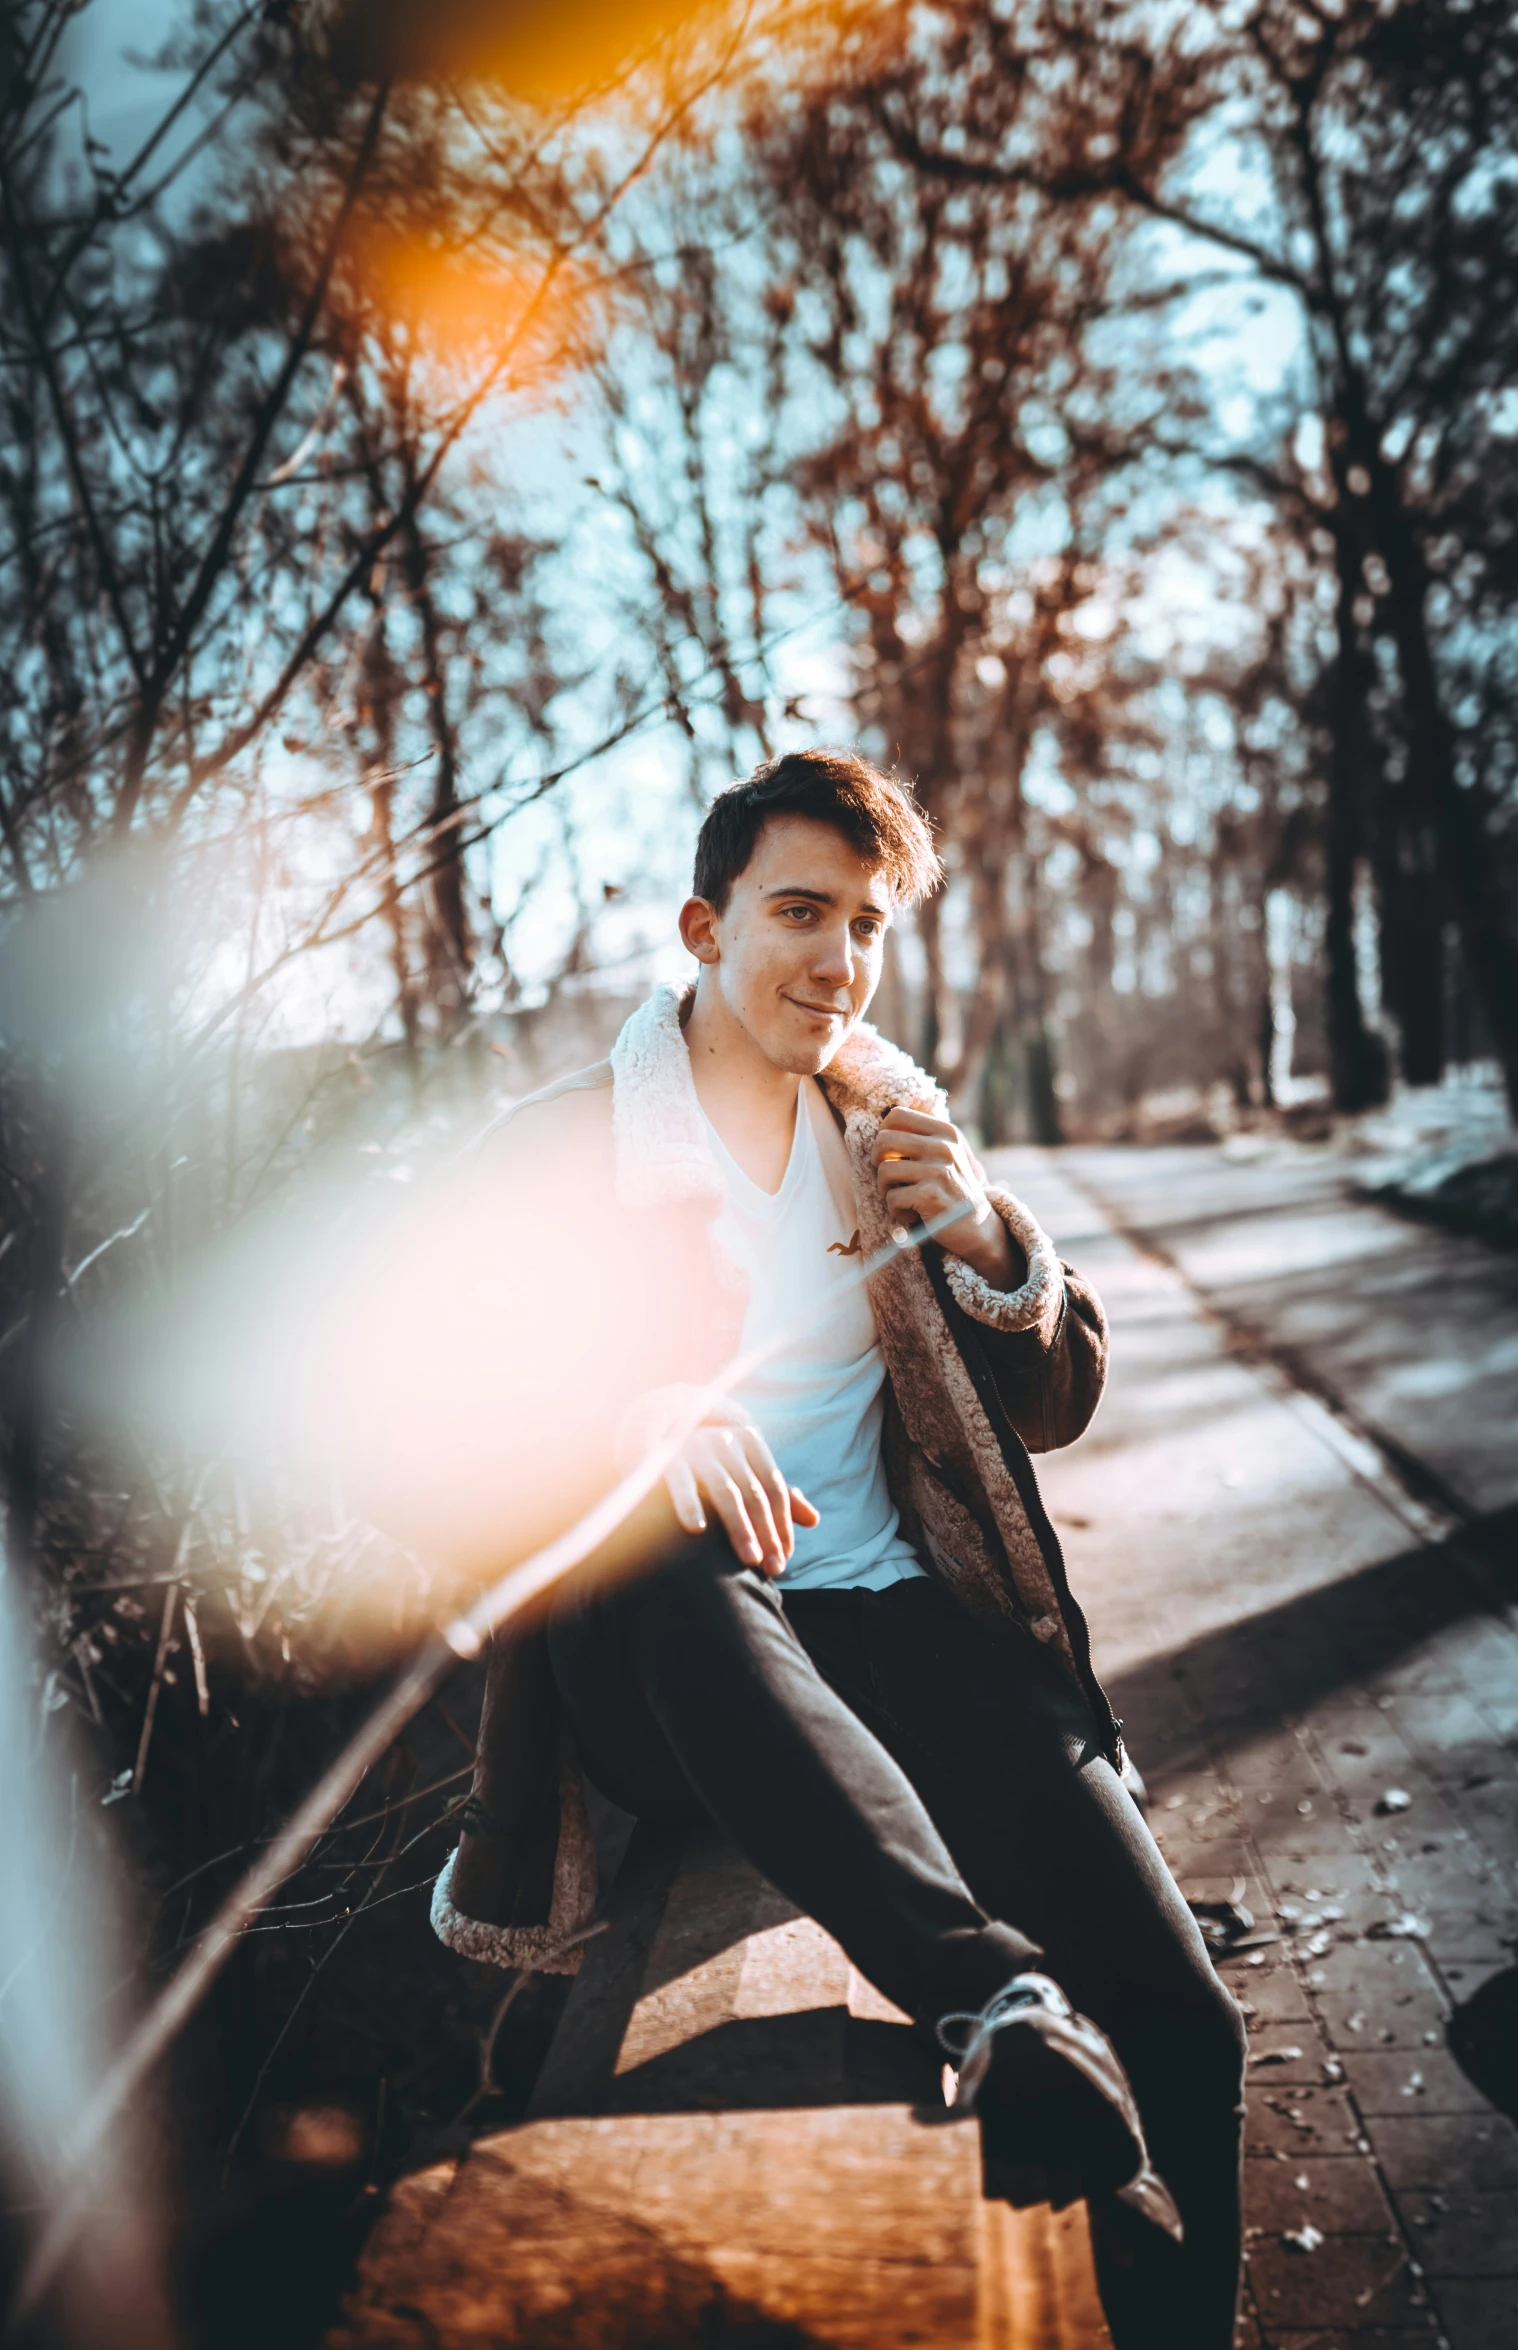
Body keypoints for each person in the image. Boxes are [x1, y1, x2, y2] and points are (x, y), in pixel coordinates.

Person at [416, 749, 1245, 2348]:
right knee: (667, 1533)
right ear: (701, 926)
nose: (838, 959)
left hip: (895, 1623)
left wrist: (996, 1238)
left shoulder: (888, 1122)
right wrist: (633, 1417)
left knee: (1191, 2028)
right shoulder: (558, 1148)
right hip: (673, 1658)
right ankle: (996, 1996)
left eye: (865, 923)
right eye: (799, 911)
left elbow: (1057, 1398)